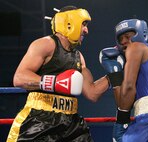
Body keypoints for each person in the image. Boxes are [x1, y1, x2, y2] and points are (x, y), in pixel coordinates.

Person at [7, 5, 110, 142]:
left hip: (71, 123)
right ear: (69, 23)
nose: (86, 30)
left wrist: (116, 74)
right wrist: (56, 83)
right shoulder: (45, 44)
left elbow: (92, 93)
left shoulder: (79, 57)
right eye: (84, 24)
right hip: (40, 119)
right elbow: (19, 78)